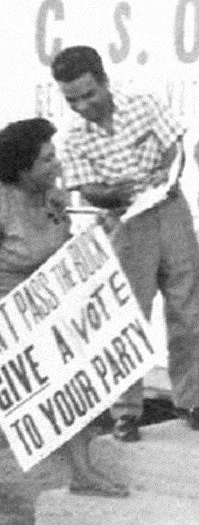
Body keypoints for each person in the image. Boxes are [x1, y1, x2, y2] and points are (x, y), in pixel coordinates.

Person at [52, 45, 199, 442]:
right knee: (126, 317)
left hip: (171, 211)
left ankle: (190, 401)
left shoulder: (143, 104)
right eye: (72, 99)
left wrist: (167, 174)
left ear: (105, 81)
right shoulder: (72, 137)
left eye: (89, 94)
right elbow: (86, 189)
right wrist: (112, 194)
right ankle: (125, 412)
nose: (83, 106)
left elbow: (175, 148)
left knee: (187, 308)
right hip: (125, 224)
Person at [0, 118, 127, 497]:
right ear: (22, 171)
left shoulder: (53, 198)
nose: (57, 164)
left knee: (72, 382)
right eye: (46, 160)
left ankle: (83, 474)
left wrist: (98, 237)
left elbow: (62, 253)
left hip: (47, 307)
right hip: (7, 314)